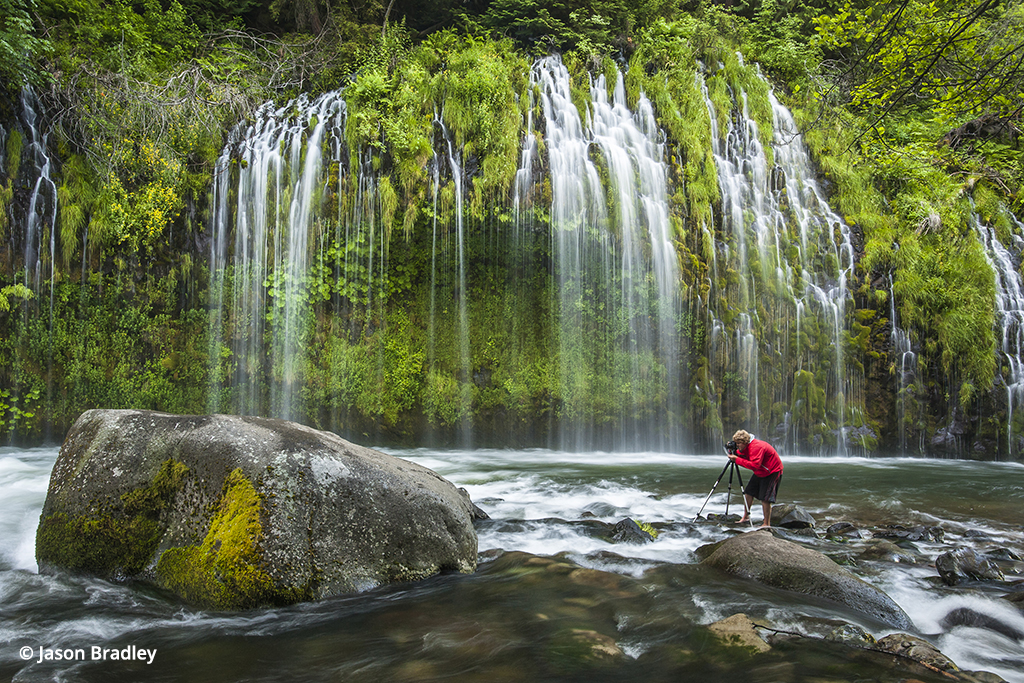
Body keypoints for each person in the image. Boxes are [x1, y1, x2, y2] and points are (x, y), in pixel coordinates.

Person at [727, 429, 783, 528]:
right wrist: (733, 452)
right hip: (761, 471)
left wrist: (737, 459)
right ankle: (746, 517)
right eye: (736, 443)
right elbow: (745, 455)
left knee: (765, 498)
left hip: (772, 471)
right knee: (748, 492)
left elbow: (754, 465)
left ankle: (766, 524)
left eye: (739, 443)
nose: (737, 445)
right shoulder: (747, 447)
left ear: (745, 442)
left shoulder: (756, 447)